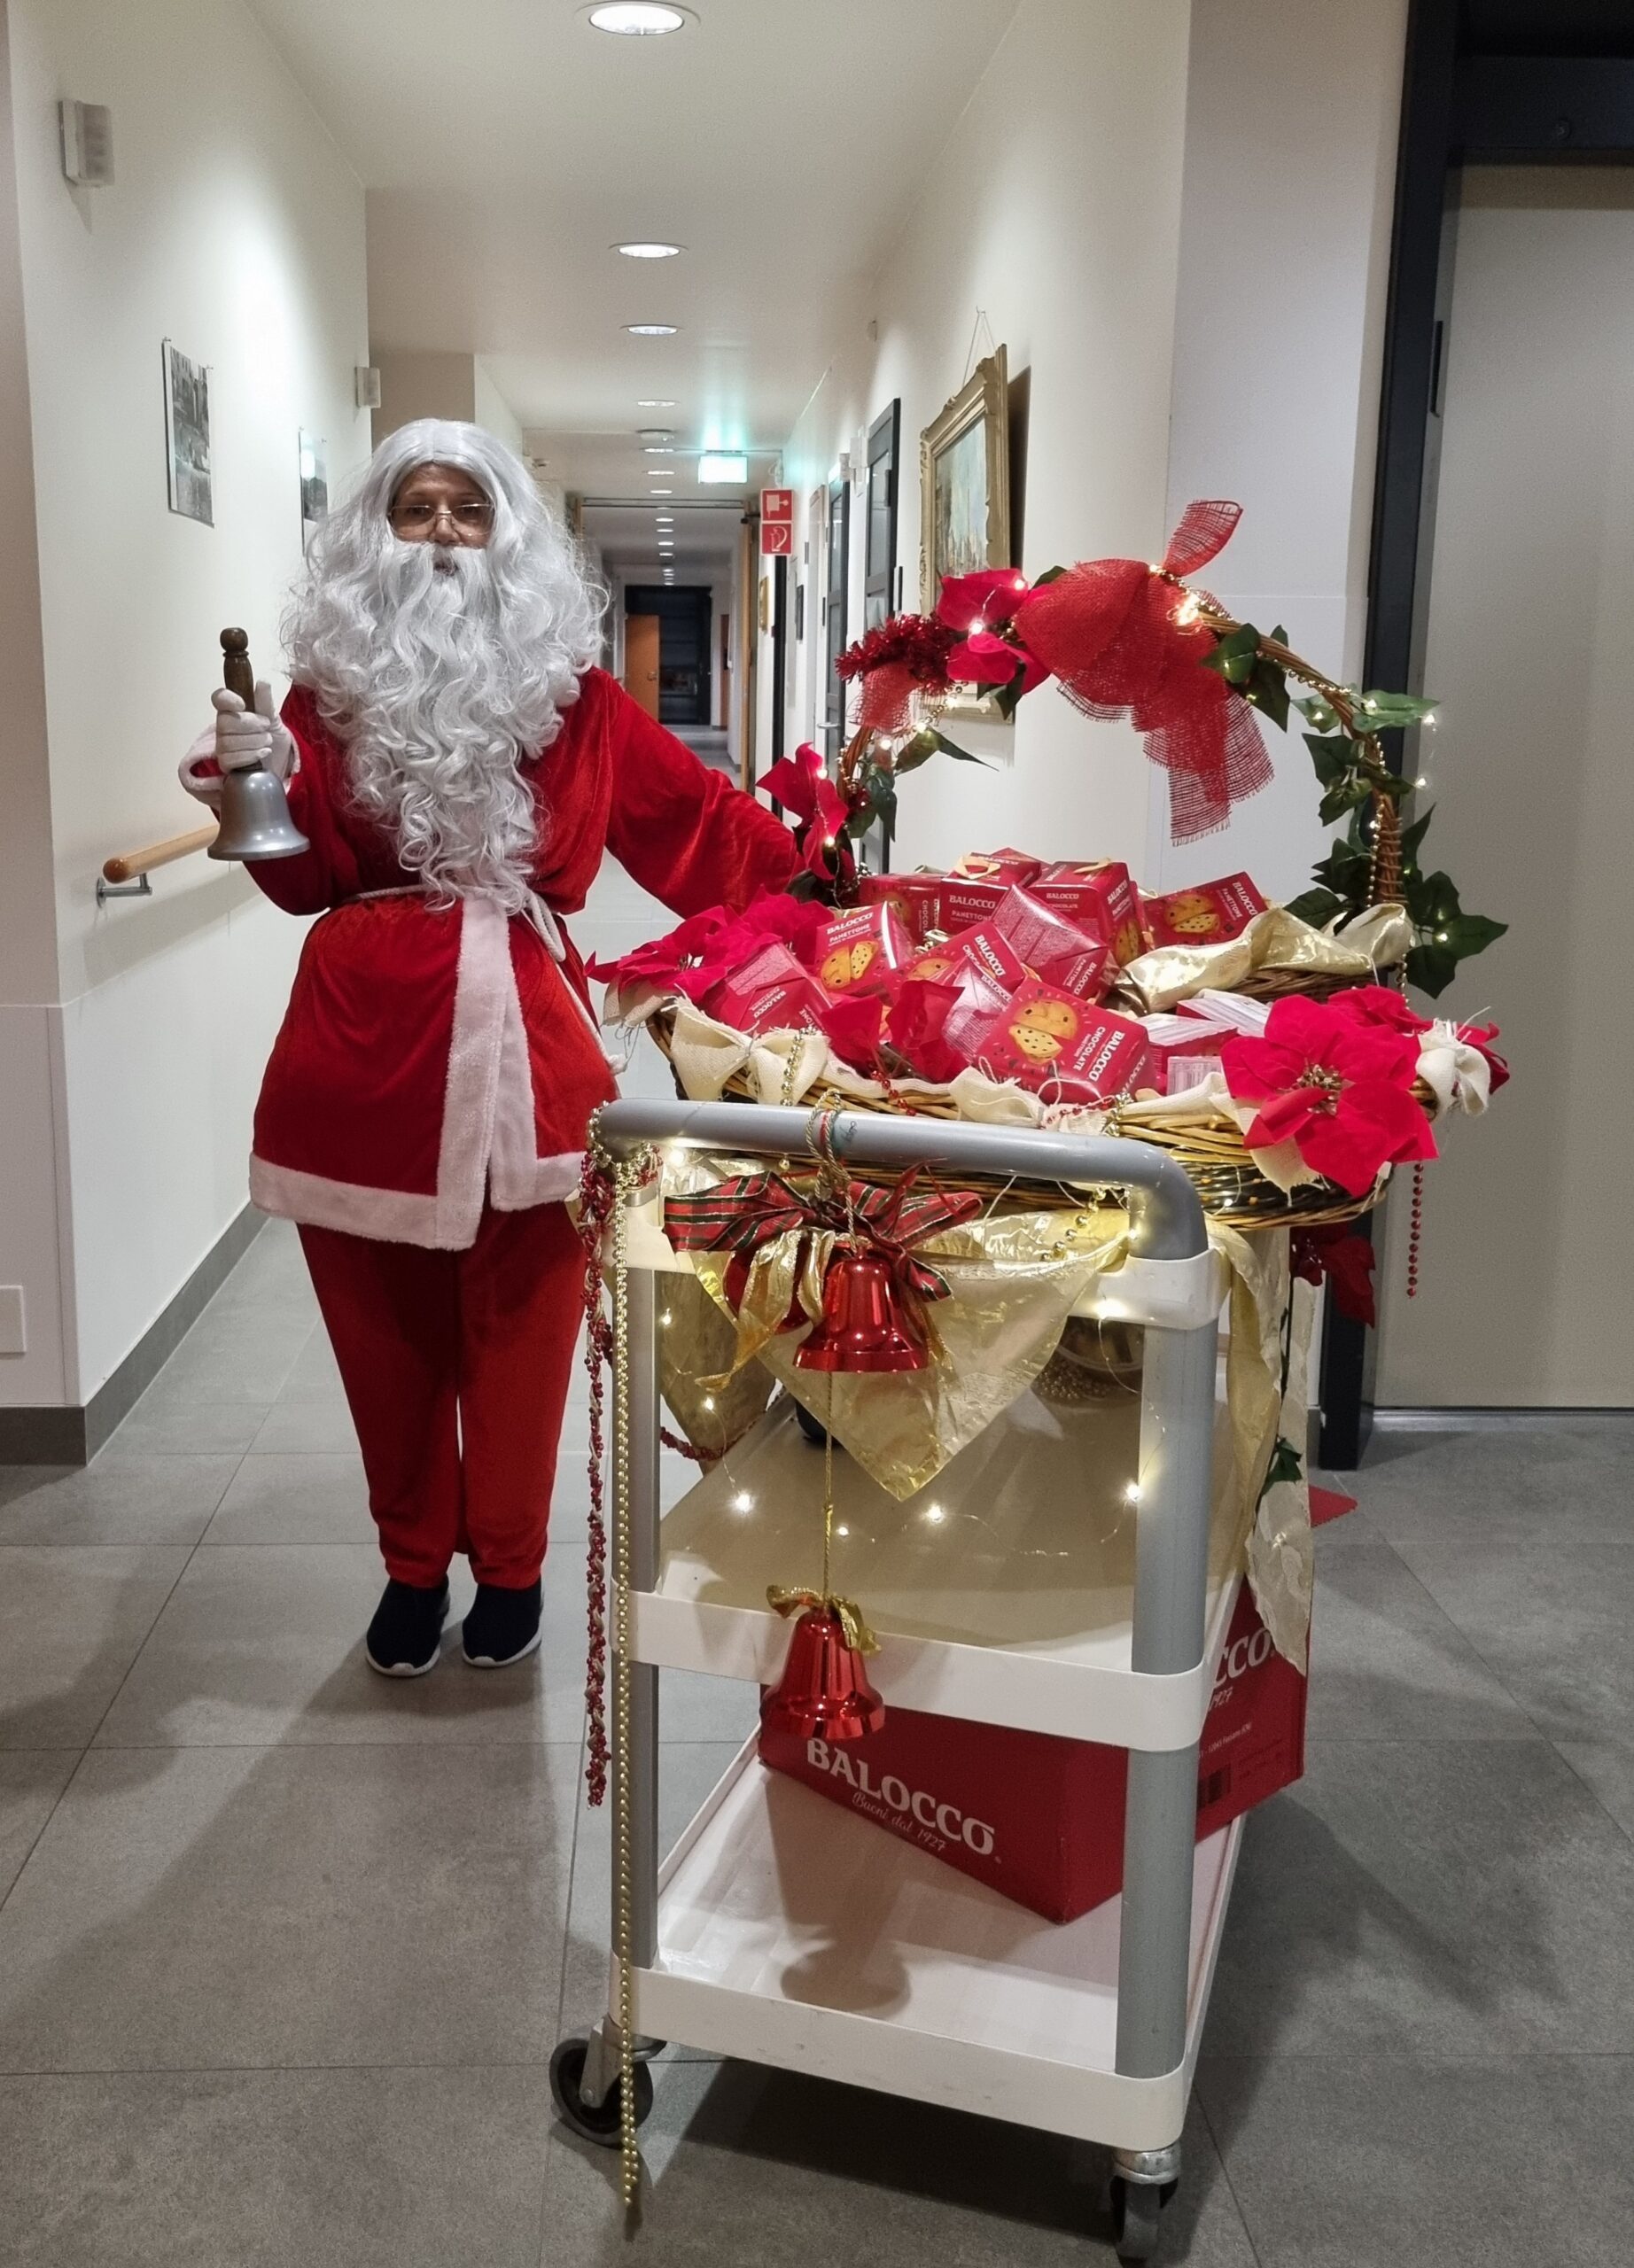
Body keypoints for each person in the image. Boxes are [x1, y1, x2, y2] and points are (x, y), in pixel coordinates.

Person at [181, 419, 795, 1676]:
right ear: (376, 534)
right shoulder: (319, 707)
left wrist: (828, 887)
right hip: (357, 1059)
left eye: (470, 509)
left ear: (512, 533)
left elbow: (700, 830)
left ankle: (509, 1571)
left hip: (532, 1058)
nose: (445, 536)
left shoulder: (581, 703)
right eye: (417, 509)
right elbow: (300, 883)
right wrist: (256, 782)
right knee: (384, 1347)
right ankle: (412, 1568)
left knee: (523, 1342)